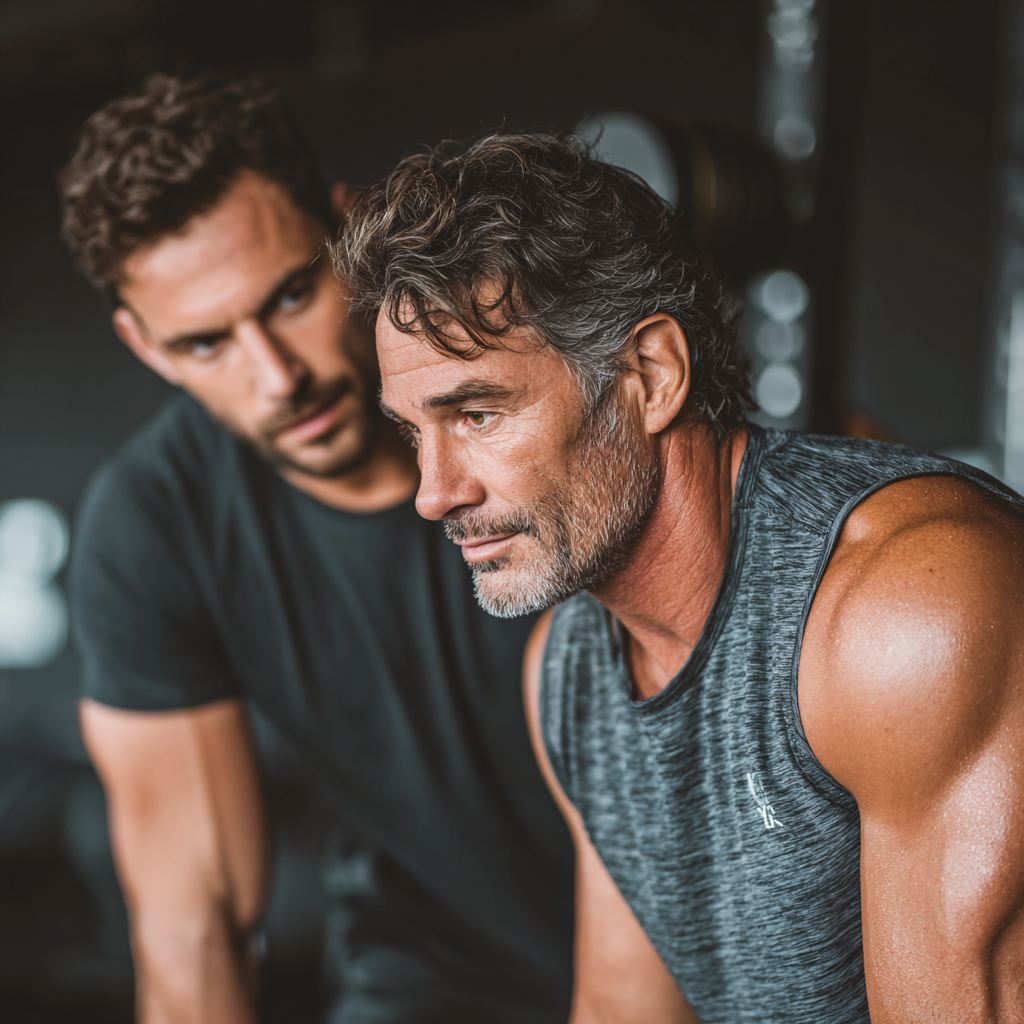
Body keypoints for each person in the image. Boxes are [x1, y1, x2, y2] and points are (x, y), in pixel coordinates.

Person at [337, 132, 1024, 1024]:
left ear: (650, 375)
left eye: (477, 412)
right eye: (412, 431)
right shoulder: (571, 666)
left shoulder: (903, 611)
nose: (434, 493)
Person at [61, 78, 574, 1024]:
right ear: (145, 347)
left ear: (349, 231)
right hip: (441, 971)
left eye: (293, 293)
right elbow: (194, 927)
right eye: (207, 343)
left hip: (691, 922)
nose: (277, 378)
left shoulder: (538, 375)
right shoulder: (153, 525)